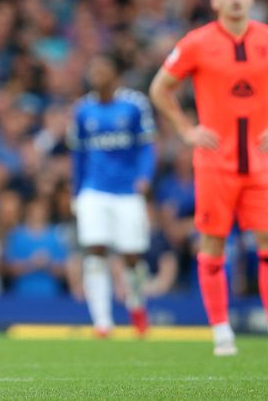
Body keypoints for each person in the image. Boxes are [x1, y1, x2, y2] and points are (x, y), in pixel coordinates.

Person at [149, 0, 268, 356]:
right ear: (215, 1)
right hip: (214, 163)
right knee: (213, 243)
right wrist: (187, 131)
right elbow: (160, 89)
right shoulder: (196, 43)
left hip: (260, 161)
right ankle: (222, 334)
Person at [68, 54, 156, 337]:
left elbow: (146, 146)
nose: (97, 75)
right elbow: (78, 155)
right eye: (94, 70)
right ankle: (102, 322)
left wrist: (145, 177)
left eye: (103, 69)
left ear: (115, 75)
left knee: (132, 255)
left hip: (127, 190)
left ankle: (137, 303)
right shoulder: (82, 110)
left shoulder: (134, 104)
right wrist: (77, 191)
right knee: (95, 249)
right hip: (93, 190)